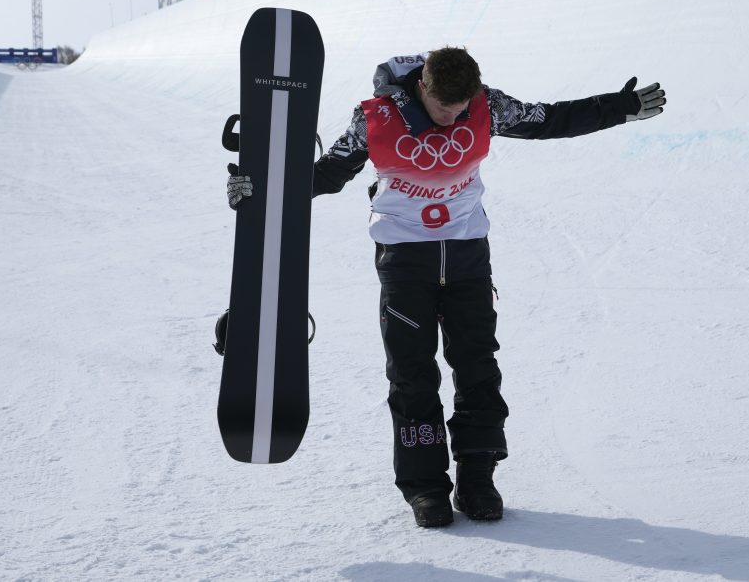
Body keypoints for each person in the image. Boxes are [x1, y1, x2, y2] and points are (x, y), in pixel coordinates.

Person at [230, 47, 666, 527]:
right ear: (422, 88)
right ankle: (426, 489)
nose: (453, 118)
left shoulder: (486, 104)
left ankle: (478, 478)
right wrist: (258, 189)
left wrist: (618, 108)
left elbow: (550, 119)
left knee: (478, 367)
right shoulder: (374, 119)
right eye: (444, 110)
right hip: (405, 260)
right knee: (413, 375)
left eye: (461, 110)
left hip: (466, 256)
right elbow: (326, 175)